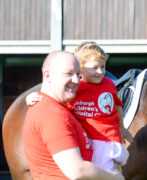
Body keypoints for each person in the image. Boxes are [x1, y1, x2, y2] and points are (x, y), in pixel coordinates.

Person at [26, 42, 129, 174]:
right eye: (95, 67)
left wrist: (122, 128)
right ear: (81, 69)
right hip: (95, 142)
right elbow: (54, 98)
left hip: (113, 139)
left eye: (103, 67)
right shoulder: (75, 87)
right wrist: (31, 97)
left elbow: (117, 105)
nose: (100, 72)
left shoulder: (109, 84)